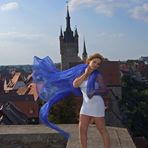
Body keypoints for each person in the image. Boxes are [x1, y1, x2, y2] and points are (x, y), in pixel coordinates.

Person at [73, 53, 110, 148]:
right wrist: (86, 74)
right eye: (94, 62)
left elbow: (105, 89)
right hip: (85, 105)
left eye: (98, 64)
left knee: (102, 130)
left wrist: (95, 91)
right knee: (82, 130)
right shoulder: (81, 72)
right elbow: (75, 84)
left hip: (97, 105)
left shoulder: (97, 75)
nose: (96, 65)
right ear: (89, 61)